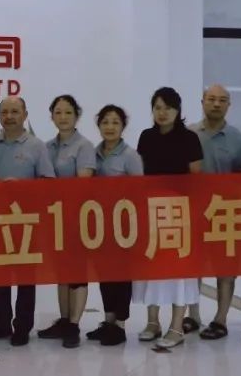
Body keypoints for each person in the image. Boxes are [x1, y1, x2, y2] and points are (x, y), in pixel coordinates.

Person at [0, 97, 55, 347]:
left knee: (25, 277)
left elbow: (48, 183)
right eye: (5, 112)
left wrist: (22, 187)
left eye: (14, 111)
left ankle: (22, 326)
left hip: (26, 222)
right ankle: (0, 322)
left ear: (25, 114)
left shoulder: (37, 146)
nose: (9, 116)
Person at [133, 87, 203, 350]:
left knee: (178, 272)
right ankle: (153, 322)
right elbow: (140, 172)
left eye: (168, 108)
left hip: (179, 213)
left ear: (178, 110)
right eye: (158, 107)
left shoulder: (189, 138)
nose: (162, 113)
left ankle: (176, 326)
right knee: (150, 266)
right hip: (150, 211)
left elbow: (196, 177)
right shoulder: (146, 137)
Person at [187, 84, 241, 340]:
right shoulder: (189, 134)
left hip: (225, 214)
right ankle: (193, 315)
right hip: (194, 213)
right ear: (202, 101)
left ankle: (221, 319)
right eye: (211, 99)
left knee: (226, 270)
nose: (216, 104)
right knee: (192, 268)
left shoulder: (238, 140)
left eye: (222, 100)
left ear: (228, 105)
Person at [38, 95, 96, 349]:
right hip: (54, 217)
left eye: (68, 112)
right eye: (58, 112)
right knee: (62, 271)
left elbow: (83, 183)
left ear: (77, 115)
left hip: (77, 217)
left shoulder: (84, 146)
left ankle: (74, 324)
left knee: (77, 272)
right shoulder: (46, 147)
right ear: (52, 116)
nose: (63, 117)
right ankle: (64, 319)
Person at [84, 105, 143, 347]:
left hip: (123, 226)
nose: (110, 127)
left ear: (123, 126)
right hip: (99, 225)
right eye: (105, 122)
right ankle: (108, 321)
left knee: (121, 275)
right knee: (104, 273)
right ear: (99, 125)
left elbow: (139, 191)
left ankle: (120, 324)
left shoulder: (130, 156)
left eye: (115, 122)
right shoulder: (93, 154)